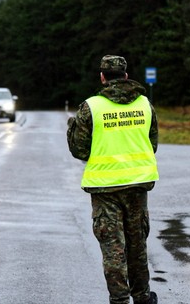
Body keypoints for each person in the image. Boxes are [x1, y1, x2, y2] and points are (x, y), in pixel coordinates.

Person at [67, 55, 159, 304]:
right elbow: (152, 144)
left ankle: (119, 300)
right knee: (137, 245)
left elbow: (80, 151)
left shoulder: (91, 107)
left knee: (113, 249)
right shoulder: (145, 104)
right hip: (138, 185)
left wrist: (71, 128)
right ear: (126, 75)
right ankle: (142, 297)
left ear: (103, 77)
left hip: (105, 188)